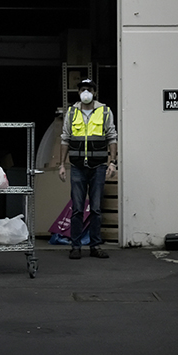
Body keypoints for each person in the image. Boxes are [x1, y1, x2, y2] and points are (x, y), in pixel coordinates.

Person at [58, 78, 117, 258]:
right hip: (77, 167)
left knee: (96, 209)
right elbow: (65, 138)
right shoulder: (72, 112)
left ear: (95, 92)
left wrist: (112, 162)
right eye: (83, 89)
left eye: (89, 89)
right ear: (79, 92)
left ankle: (95, 246)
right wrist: (61, 164)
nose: (86, 92)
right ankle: (75, 247)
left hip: (98, 167)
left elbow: (112, 137)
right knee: (77, 209)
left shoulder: (105, 111)